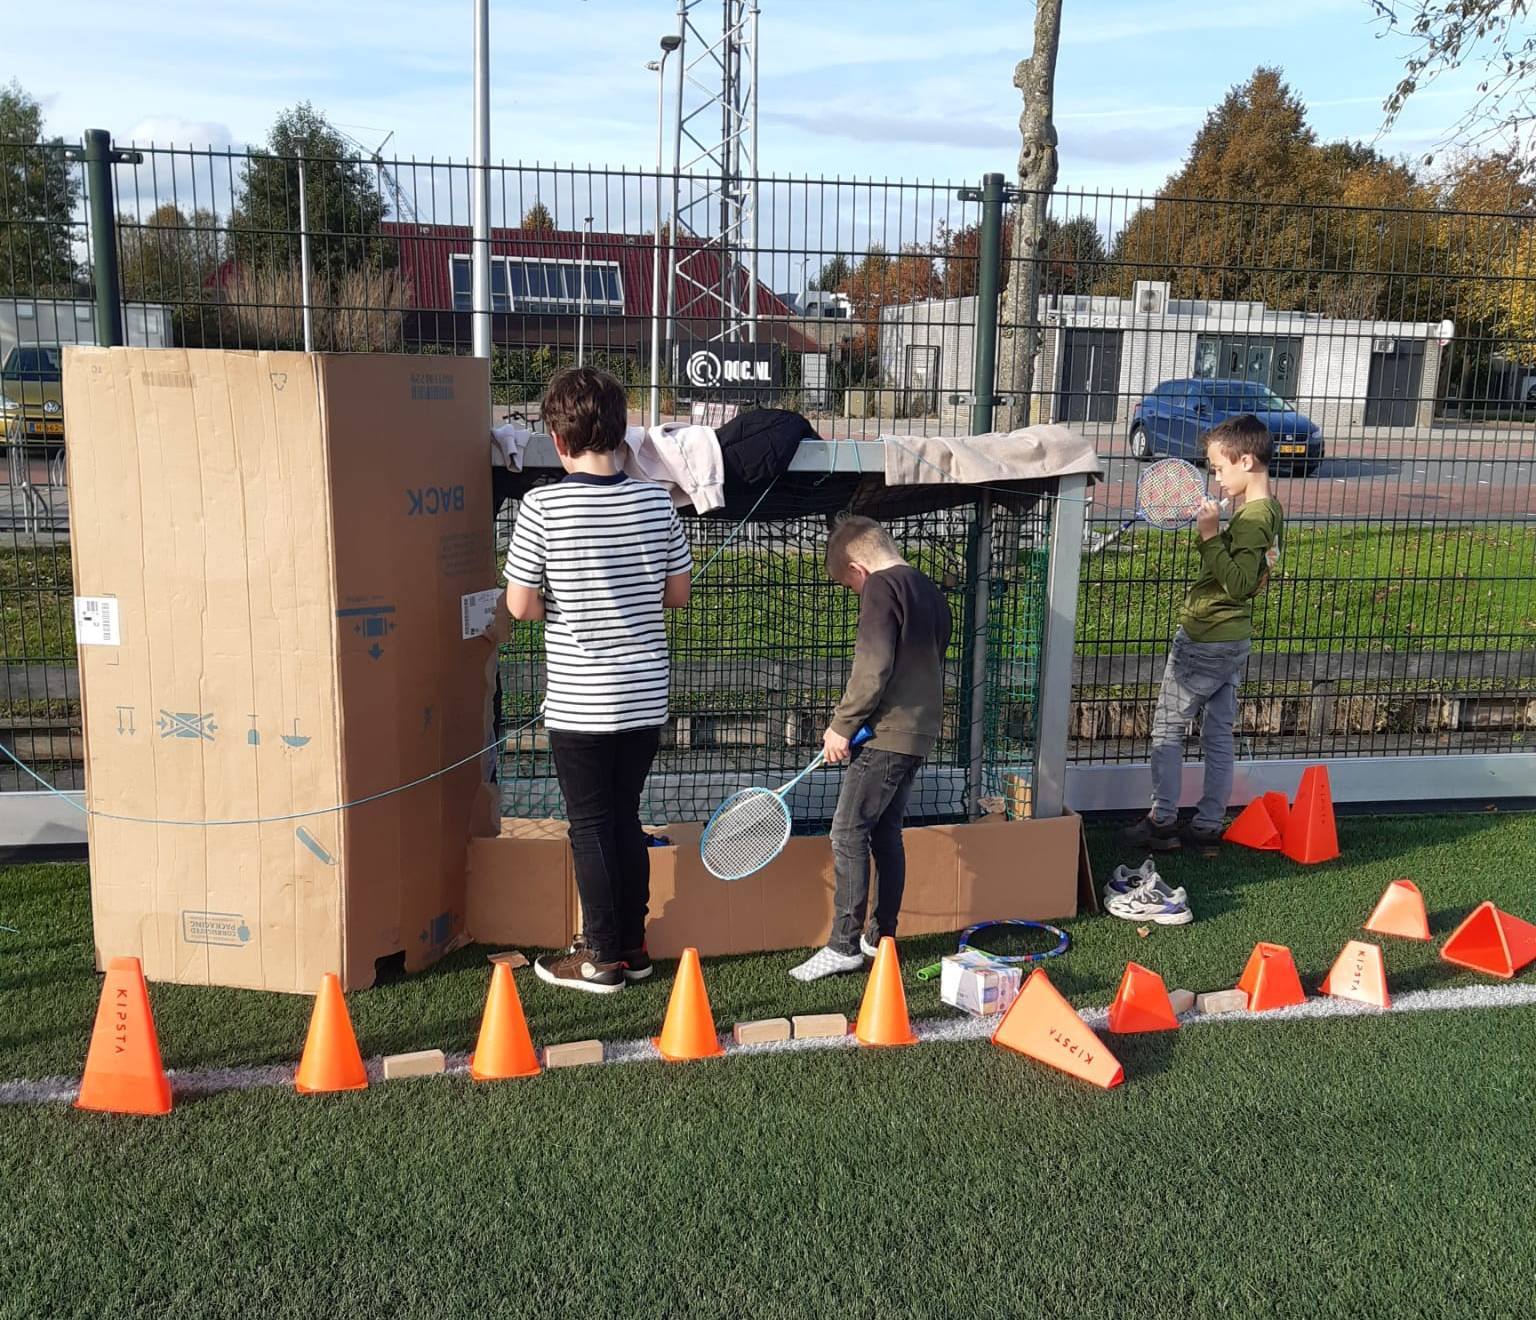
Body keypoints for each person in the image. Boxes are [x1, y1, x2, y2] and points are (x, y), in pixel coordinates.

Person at [501, 366, 692, 993]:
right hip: (645, 693)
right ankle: (631, 945)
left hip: (582, 699)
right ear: (624, 430)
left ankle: (602, 955)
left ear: (558, 441)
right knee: (624, 817)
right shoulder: (655, 501)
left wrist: (569, 602)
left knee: (590, 823)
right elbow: (677, 593)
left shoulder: (542, 506)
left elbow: (521, 605)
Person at [789, 516, 953, 982]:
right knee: (885, 834)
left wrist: (842, 726)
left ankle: (844, 944)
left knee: (847, 832)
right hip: (919, 734)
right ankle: (881, 937)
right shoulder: (931, 592)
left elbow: (874, 664)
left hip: (885, 736)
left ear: (858, 568)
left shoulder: (881, 588)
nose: (856, 593)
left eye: (850, 586)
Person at [1120, 413, 1284, 861]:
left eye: (1218, 468)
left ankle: (1163, 821)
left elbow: (1236, 582)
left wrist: (1210, 537)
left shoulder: (1252, 520)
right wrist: (1224, 531)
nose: (1215, 477)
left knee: (1168, 729)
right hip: (1231, 640)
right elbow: (1253, 578)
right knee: (1217, 734)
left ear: (1245, 460)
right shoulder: (1265, 512)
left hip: (1206, 637)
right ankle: (1208, 825)